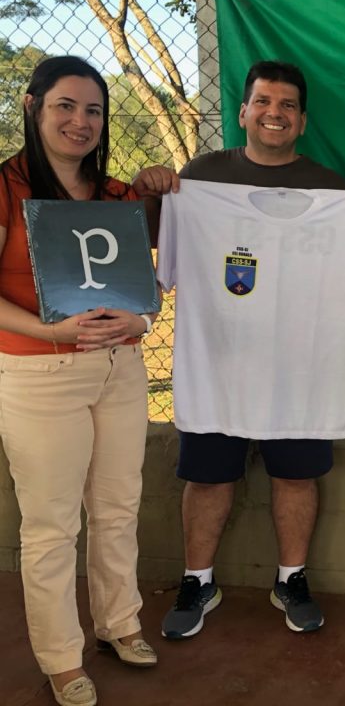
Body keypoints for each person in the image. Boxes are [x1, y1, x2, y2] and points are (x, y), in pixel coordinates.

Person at [133, 60, 345, 639]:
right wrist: (153, 195)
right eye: (263, 102)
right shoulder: (200, 180)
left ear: (301, 121)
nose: (274, 113)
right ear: (244, 111)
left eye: (287, 106)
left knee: (297, 477)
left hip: (302, 369)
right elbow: (157, 248)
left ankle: (291, 578)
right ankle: (197, 579)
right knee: (206, 478)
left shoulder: (334, 191)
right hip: (218, 363)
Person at [0, 56, 160, 706]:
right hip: (38, 374)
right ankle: (62, 658)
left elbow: (141, 297)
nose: (81, 121)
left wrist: (141, 319)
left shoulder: (118, 195)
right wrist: (50, 333)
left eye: (93, 110)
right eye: (66, 105)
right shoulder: (6, 187)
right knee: (51, 525)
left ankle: (120, 623)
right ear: (35, 105)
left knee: (119, 508)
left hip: (119, 368)